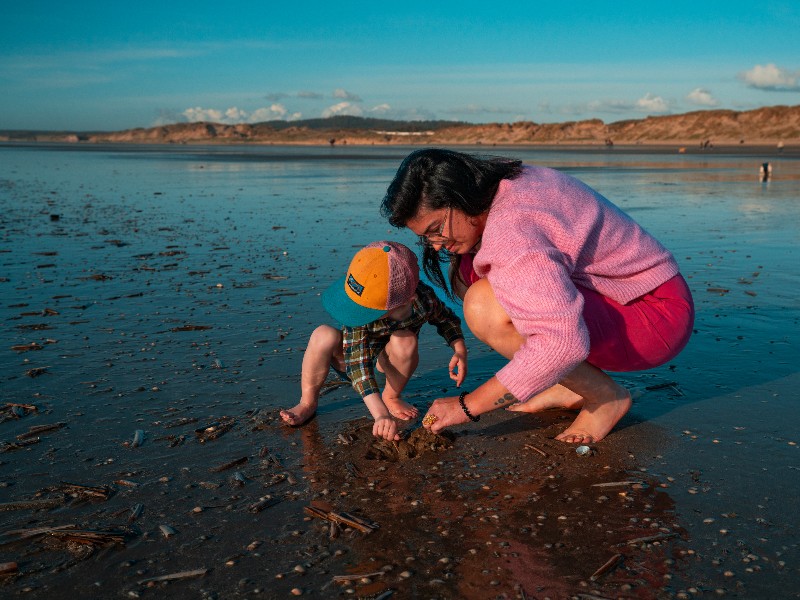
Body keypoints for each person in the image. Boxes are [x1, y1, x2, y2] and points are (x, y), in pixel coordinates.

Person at [381, 149, 694, 444]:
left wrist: (467, 405)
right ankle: (568, 383)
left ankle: (604, 397)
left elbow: (563, 343)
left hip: (651, 317)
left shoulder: (513, 231)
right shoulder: (501, 182)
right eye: (425, 237)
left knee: (483, 307)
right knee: (468, 269)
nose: (434, 244)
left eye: (437, 229)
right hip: (638, 291)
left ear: (459, 197)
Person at [280, 241, 468, 441]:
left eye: (367, 310)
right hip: (351, 362)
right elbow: (357, 365)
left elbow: (445, 319)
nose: (358, 312)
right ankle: (307, 403)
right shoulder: (357, 316)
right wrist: (380, 415)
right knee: (322, 334)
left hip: (387, 371)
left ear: (409, 300)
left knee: (405, 339)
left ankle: (392, 396)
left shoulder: (425, 301)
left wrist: (459, 349)